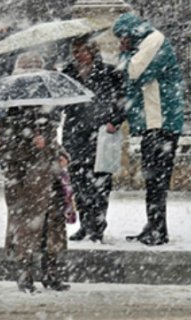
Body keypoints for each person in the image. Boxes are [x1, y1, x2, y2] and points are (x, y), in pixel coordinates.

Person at [0, 53, 71, 293]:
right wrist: (27, 143)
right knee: (27, 226)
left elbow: (51, 139)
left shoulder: (45, 110)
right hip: (25, 179)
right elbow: (1, 147)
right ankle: (25, 274)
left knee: (53, 224)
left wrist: (59, 151)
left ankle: (51, 273)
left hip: (49, 174)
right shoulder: (10, 112)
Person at [110, 12, 185, 246]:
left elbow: (134, 72)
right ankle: (153, 225)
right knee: (152, 179)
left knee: (158, 179)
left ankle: (159, 230)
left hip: (162, 123)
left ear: (131, 33)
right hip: (152, 124)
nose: (122, 42)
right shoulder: (142, 44)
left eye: (123, 37)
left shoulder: (155, 40)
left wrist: (124, 53)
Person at [61, 36, 125, 243]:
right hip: (75, 133)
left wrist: (115, 121)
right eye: (75, 51)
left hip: (100, 134)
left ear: (92, 51)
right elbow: (60, 103)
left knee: (99, 182)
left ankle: (98, 225)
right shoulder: (68, 74)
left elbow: (122, 99)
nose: (78, 55)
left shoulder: (109, 72)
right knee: (79, 183)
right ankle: (84, 224)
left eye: (82, 51)